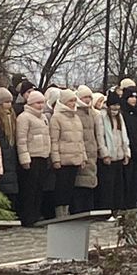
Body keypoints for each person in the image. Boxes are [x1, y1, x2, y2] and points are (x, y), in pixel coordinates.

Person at [14, 89, 52, 226]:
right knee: (29, 189)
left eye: (42, 102)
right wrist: (24, 158)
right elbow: (21, 139)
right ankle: (27, 217)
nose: (41, 105)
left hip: (42, 156)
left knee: (38, 189)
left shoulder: (43, 118)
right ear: (30, 103)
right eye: (37, 103)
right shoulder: (24, 117)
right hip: (31, 157)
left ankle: (36, 215)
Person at [47, 88, 86, 218]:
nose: (73, 103)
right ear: (64, 101)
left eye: (75, 100)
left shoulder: (76, 117)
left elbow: (80, 139)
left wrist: (83, 156)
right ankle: (59, 211)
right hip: (63, 159)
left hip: (75, 157)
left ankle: (67, 209)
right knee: (61, 187)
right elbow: (54, 140)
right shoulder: (56, 117)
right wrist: (56, 159)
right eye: (70, 100)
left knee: (70, 186)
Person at [95, 91, 132, 212]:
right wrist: (104, 154)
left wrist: (126, 152)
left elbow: (124, 135)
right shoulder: (101, 116)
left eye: (118, 106)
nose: (116, 109)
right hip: (108, 156)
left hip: (119, 155)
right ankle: (107, 209)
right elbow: (100, 136)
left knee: (118, 185)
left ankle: (118, 208)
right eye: (113, 106)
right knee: (107, 186)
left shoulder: (119, 117)